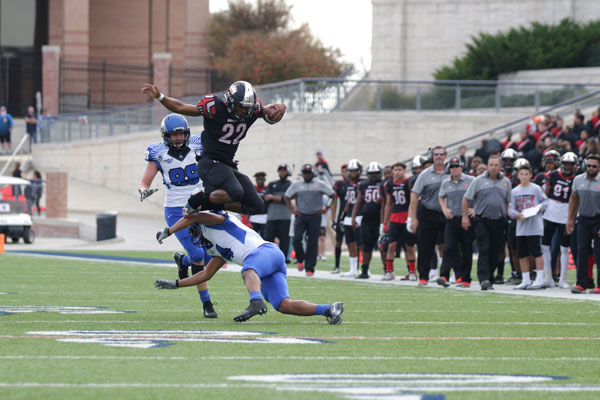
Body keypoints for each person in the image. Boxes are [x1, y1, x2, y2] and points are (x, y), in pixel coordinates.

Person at [154, 210, 344, 324]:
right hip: (269, 261)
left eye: (193, 226)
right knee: (283, 305)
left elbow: (196, 215)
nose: (194, 231)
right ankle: (329, 310)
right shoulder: (214, 247)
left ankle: (255, 301)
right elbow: (205, 275)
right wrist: (177, 284)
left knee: (247, 271)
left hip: (264, 252)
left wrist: (169, 231)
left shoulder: (219, 221)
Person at [141, 81, 285, 216]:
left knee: (257, 206)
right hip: (209, 162)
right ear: (229, 101)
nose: (242, 111)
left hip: (227, 164)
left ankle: (207, 205)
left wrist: (281, 107)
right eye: (239, 106)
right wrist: (160, 97)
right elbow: (181, 107)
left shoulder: (252, 110)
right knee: (236, 192)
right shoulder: (215, 107)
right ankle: (197, 199)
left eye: (246, 108)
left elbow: (271, 112)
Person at [137, 113, 217, 318]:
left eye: (181, 134)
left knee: (214, 255)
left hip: (201, 205)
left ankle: (183, 262)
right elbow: (144, 181)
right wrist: (143, 190)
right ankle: (207, 304)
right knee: (199, 255)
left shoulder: (199, 144)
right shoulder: (158, 153)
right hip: (175, 210)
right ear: (166, 136)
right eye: (174, 135)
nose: (178, 138)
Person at [462, 155, 512, 290]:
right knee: (484, 249)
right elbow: (466, 198)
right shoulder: (478, 181)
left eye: (496, 165)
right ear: (488, 166)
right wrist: (465, 217)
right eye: (491, 165)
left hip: (499, 220)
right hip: (482, 219)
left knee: (495, 251)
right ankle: (483, 279)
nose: (494, 168)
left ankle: (490, 276)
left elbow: (508, 202)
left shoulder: (506, 182)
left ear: (500, 167)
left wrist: (506, 217)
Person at [408, 146, 449, 286]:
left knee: (450, 245)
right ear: (432, 156)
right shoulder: (425, 174)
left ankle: (446, 275)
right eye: (436, 154)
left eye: (441, 154)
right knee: (425, 246)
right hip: (428, 212)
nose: (438, 156)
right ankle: (424, 275)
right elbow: (414, 195)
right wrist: (412, 217)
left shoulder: (452, 172)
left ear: (445, 156)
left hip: (447, 214)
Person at [284, 163, 335, 276]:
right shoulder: (297, 184)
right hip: (301, 215)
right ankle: (300, 259)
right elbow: (287, 196)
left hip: (314, 216)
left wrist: (326, 208)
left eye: (309, 173)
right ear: (302, 174)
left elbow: (332, 195)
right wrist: (292, 209)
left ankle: (310, 268)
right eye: (305, 173)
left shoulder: (319, 184)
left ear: (313, 173)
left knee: (312, 242)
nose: (307, 175)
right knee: (296, 239)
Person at [508, 162, 548, 290]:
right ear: (518, 175)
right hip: (521, 227)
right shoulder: (514, 191)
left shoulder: (536, 188)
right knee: (522, 254)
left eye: (526, 174)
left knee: (537, 252)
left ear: (530, 175)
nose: (524, 176)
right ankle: (525, 279)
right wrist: (517, 215)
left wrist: (537, 209)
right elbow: (510, 208)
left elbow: (545, 201)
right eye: (521, 174)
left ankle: (539, 278)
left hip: (534, 226)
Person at [437, 157, 475, 288]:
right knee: (449, 247)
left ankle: (465, 278)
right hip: (452, 219)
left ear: (461, 167)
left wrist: (475, 209)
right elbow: (441, 197)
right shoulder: (446, 183)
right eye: (452, 166)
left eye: (456, 166)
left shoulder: (471, 180)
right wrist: (444, 208)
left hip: (466, 219)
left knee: (466, 249)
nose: (454, 169)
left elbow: (480, 195)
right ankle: (444, 275)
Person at [542, 152, 577, 289]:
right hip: (551, 211)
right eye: (566, 164)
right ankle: (548, 277)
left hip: (565, 213)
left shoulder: (576, 178)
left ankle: (562, 279)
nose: (568, 167)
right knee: (545, 246)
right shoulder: (552, 175)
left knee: (564, 248)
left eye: (571, 164)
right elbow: (546, 192)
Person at [566, 154, 600, 294]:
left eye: (594, 166)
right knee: (581, 251)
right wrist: (570, 220)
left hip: (598, 219)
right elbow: (574, 200)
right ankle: (582, 283)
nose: (591, 168)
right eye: (589, 166)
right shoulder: (578, 180)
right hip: (583, 219)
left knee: (599, 252)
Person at [382, 162, 414, 281]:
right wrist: (385, 222)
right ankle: (389, 271)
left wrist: (412, 218)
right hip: (395, 217)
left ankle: (412, 272)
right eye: (395, 170)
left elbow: (412, 202)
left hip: (406, 216)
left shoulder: (408, 183)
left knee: (409, 246)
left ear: (404, 171)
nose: (397, 172)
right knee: (391, 245)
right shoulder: (389, 184)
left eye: (400, 170)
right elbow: (388, 204)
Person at [352, 162, 384, 279]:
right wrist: (354, 217)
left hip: (380, 218)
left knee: (383, 245)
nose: (374, 175)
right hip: (367, 219)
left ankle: (387, 270)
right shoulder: (363, 185)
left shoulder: (384, 184)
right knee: (366, 246)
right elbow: (358, 202)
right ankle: (364, 270)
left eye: (376, 173)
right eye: (372, 173)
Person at [264, 164, 293, 260]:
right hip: (272, 217)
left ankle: (283, 260)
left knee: (284, 241)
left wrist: (273, 197)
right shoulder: (272, 184)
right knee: (268, 240)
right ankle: (268, 258)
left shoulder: (290, 185)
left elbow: (286, 199)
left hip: (285, 217)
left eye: (284, 170)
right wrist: (279, 198)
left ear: (288, 172)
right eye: (280, 170)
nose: (282, 172)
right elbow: (266, 197)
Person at [341, 159, 364, 277]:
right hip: (348, 215)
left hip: (359, 215)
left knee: (360, 243)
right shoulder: (346, 183)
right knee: (350, 242)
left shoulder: (363, 182)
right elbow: (347, 200)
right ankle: (353, 268)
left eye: (355, 170)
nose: (353, 172)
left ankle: (365, 268)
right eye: (351, 170)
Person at [330, 163, 348, 274]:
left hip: (351, 215)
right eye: (343, 171)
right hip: (341, 216)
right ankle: (337, 266)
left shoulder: (355, 183)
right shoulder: (339, 184)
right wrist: (333, 218)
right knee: (338, 241)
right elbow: (334, 202)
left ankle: (356, 266)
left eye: (347, 171)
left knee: (354, 242)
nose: (345, 173)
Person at [248, 172, 268, 238]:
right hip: (254, 216)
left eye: (261, 179)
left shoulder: (267, 189)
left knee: (263, 237)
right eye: (258, 179)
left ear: (264, 180)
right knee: (253, 236)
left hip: (264, 216)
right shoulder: (253, 188)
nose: (259, 181)